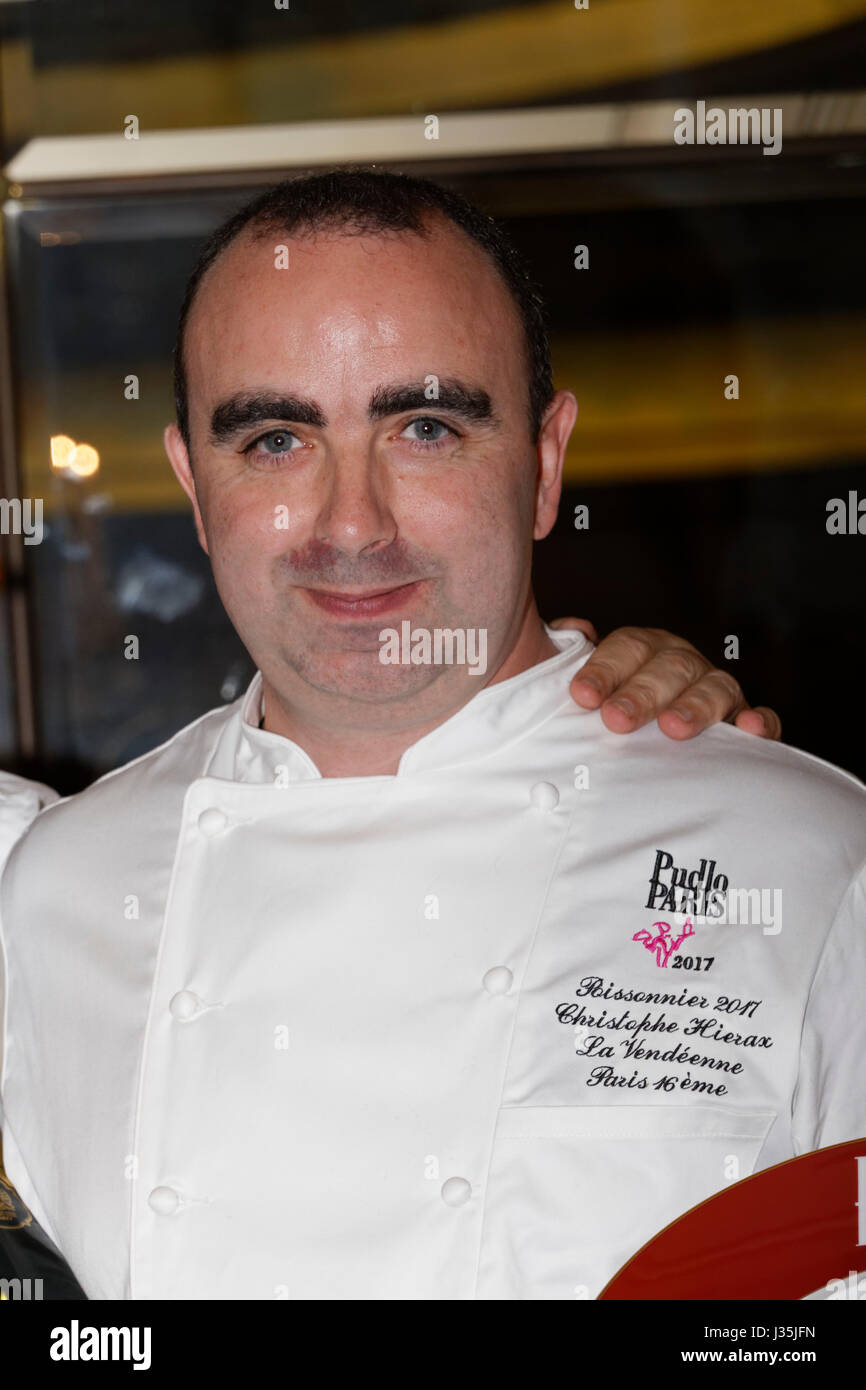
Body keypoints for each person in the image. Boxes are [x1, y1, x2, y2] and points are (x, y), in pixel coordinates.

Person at [1, 168, 860, 1302]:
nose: (351, 524)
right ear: (192, 488)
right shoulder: (52, 892)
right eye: (271, 439)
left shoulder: (809, 863)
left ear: (544, 464)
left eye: (424, 426)